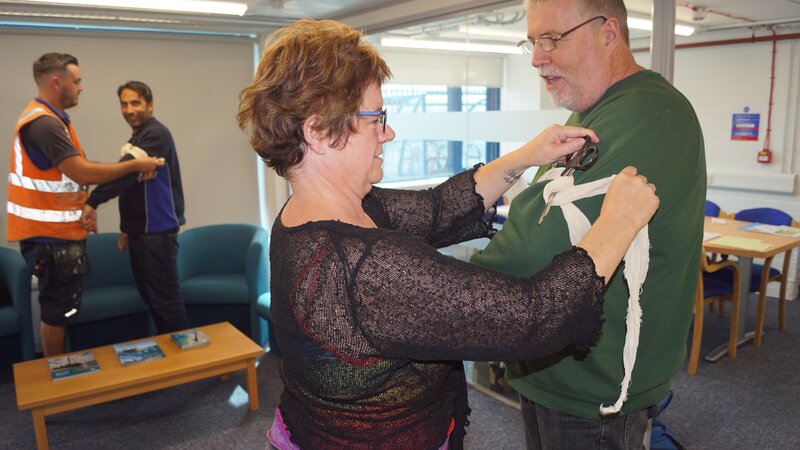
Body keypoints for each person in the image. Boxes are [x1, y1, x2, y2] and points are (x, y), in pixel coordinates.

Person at [238, 19, 660, 449]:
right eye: (375, 118)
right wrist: (619, 223)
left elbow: (437, 209)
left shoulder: (313, 214)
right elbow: (531, 317)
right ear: (317, 132)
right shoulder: (366, 269)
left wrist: (528, 156)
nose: (388, 133)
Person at [470, 0, 706, 447]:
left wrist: (433, 288)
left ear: (609, 33)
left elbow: (533, 247)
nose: (537, 58)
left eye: (552, 39)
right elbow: (540, 214)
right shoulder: (590, 111)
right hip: (551, 368)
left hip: (595, 389)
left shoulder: (648, 114)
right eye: (532, 42)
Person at [7, 53, 164, 356]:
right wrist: (135, 165)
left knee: (61, 309)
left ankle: (60, 373)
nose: (81, 87)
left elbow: (68, 180)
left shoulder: (54, 120)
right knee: (56, 313)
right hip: (49, 238)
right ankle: (56, 376)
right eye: (77, 81)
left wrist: (83, 208)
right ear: (57, 82)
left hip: (58, 234)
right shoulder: (44, 124)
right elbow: (82, 172)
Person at [80, 81, 188, 334]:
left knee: (166, 303)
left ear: (150, 105)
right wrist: (127, 228)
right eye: (124, 104)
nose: (129, 110)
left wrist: (92, 201)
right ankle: (171, 354)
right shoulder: (137, 139)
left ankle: (185, 358)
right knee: (154, 300)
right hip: (142, 233)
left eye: (135, 103)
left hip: (157, 234)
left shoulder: (155, 135)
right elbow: (133, 187)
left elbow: (123, 175)